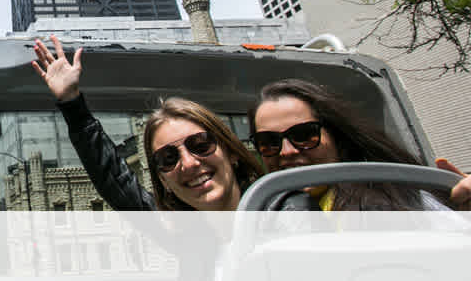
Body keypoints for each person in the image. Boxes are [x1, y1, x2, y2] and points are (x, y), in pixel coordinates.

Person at [32, 35, 282, 212]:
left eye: (200, 144)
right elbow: (114, 178)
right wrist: (72, 103)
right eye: (168, 158)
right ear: (162, 179)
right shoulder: (183, 234)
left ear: (232, 152)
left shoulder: (286, 214)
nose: (190, 163)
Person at [249, 78, 471, 211]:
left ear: (336, 136)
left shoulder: (404, 200)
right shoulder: (258, 219)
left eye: (304, 134)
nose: (287, 151)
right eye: (269, 142)